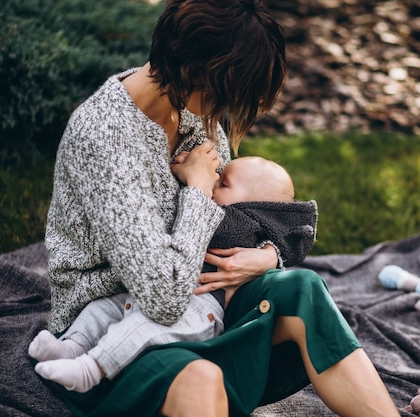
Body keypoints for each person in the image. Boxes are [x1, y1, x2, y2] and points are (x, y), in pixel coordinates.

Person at [41, 0, 399, 415]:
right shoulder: (106, 138)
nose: (224, 112)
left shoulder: (194, 114)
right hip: (106, 335)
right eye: (226, 95)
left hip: (203, 307)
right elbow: (162, 299)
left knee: (304, 290)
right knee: (201, 378)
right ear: (195, 72)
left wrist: (268, 257)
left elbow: (239, 215)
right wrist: (196, 187)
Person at [29, 156, 318, 393]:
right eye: (216, 176)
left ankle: (89, 370)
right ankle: (71, 347)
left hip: (198, 310)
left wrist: (195, 180)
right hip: (158, 292)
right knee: (102, 309)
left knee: (139, 328)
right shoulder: (235, 213)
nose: (214, 181)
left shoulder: (236, 224)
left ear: (253, 206)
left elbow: (200, 218)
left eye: (224, 182)